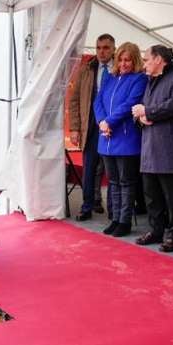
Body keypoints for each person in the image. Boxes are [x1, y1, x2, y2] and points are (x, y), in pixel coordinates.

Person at [133, 45, 173, 253]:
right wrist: (141, 117)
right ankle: (156, 230)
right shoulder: (151, 80)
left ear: (159, 59)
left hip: (169, 146)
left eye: (147, 59)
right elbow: (145, 108)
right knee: (152, 195)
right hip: (149, 146)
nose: (144, 64)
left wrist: (147, 112)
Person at [93, 42, 148, 237]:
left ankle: (124, 221)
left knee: (126, 182)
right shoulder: (110, 78)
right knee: (113, 181)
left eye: (128, 60)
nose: (124, 64)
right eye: (121, 60)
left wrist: (109, 122)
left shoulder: (140, 78)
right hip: (106, 136)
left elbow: (130, 104)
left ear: (135, 61)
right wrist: (102, 122)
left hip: (125, 138)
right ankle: (115, 218)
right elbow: (97, 101)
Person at [70, 34, 116, 221]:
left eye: (106, 47)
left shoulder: (120, 68)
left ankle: (114, 210)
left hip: (113, 126)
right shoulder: (87, 69)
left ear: (113, 48)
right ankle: (86, 206)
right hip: (90, 125)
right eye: (98, 48)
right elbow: (74, 100)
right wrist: (74, 128)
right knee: (89, 169)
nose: (101, 51)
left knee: (112, 170)